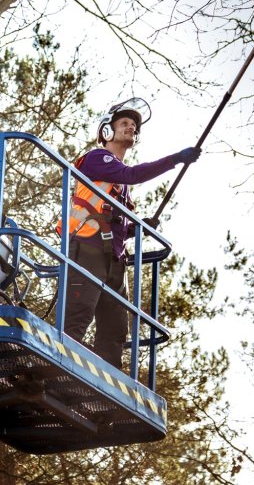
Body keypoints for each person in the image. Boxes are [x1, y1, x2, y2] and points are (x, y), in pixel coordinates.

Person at [60, 97, 199, 369]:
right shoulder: (97, 158)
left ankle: (105, 386)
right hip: (87, 250)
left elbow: (111, 218)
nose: (131, 128)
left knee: (114, 330)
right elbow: (133, 174)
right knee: (78, 316)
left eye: (134, 126)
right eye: (124, 123)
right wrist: (175, 159)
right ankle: (56, 368)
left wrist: (137, 227)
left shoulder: (118, 182)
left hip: (113, 259)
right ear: (107, 130)